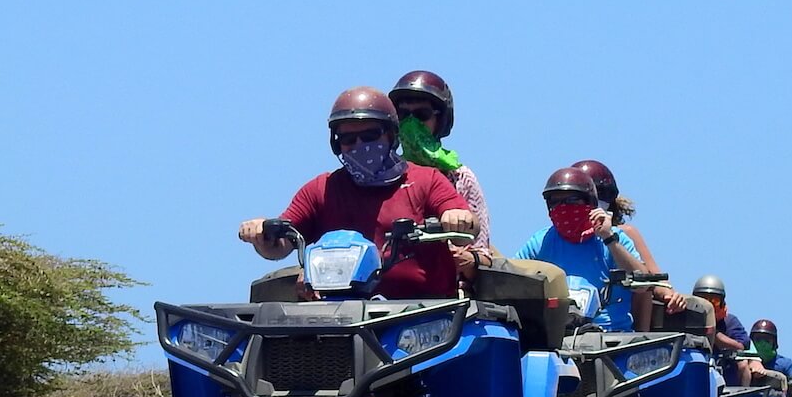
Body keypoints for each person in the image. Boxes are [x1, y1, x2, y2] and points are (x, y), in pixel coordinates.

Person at [239, 87, 479, 298]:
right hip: (338, 319)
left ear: (391, 135)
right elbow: (282, 242)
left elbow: (464, 225)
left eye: (370, 136)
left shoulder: (426, 180)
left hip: (423, 319)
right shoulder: (322, 189)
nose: (359, 146)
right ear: (336, 144)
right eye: (349, 139)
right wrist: (263, 234)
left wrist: (457, 218)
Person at [512, 168, 651, 331]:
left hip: (610, 341)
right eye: (555, 202)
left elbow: (643, 284)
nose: (563, 208)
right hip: (556, 339)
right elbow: (512, 279)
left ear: (591, 203)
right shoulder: (541, 241)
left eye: (572, 200)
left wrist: (609, 239)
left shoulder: (615, 238)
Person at [390, 71, 494, 269]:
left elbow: (483, 255)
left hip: (447, 295)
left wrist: (458, 258)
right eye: (403, 115)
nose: (412, 125)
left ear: (441, 121)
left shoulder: (461, 177)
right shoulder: (385, 176)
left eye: (421, 115)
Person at [569, 160, 685, 328]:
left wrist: (670, 296)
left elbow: (652, 277)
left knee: (643, 283)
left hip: (614, 325)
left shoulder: (624, 234)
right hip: (571, 318)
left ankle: (639, 343)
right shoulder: (553, 238)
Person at [694, 275, 764, 386]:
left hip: (727, 378)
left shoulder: (730, 322)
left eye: (714, 301)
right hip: (696, 370)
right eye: (704, 300)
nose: (709, 306)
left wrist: (714, 334)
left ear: (722, 303)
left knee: (743, 363)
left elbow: (743, 345)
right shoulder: (687, 320)